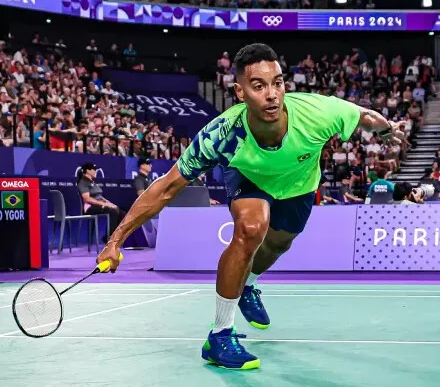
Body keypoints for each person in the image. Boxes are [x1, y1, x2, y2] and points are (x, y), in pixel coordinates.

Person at [96, 43, 406, 370]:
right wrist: (115, 240)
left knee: (280, 242)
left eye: (278, 83)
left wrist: (387, 130)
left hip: (299, 184)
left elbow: (363, 116)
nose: (272, 94)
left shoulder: (317, 113)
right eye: (259, 86)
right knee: (252, 229)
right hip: (249, 176)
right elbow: (167, 187)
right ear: (240, 92)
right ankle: (220, 335)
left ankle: (248, 285)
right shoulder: (222, 134)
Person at [77, 163, 126, 239]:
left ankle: (116, 237)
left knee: (121, 212)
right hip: (90, 207)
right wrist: (105, 205)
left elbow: (100, 197)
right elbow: (87, 199)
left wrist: (110, 204)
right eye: (94, 169)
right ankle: (108, 238)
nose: (95, 171)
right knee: (112, 211)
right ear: (87, 171)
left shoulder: (92, 182)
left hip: (99, 205)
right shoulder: (83, 182)